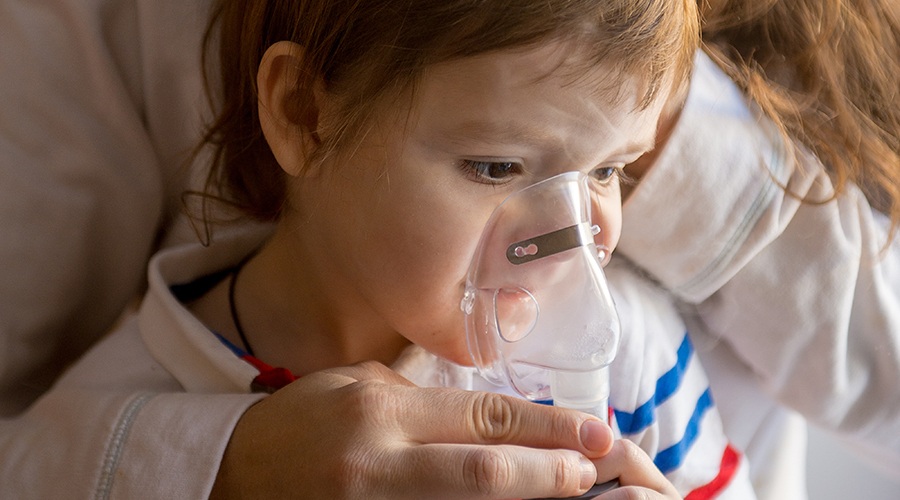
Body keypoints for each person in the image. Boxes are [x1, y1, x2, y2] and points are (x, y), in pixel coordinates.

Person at [1, 0, 898, 499]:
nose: (569, 233)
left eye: (612, 172)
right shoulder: (127, 408)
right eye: (499, 165)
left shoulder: (634, 356)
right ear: (304, 113)